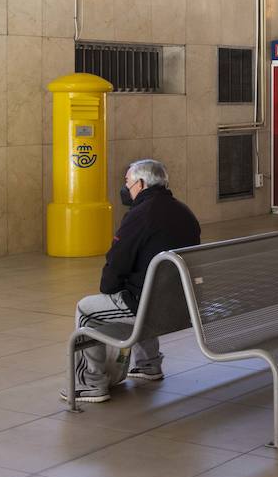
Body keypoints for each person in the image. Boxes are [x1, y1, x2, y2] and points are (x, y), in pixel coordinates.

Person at [65, 159, 201, 403]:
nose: (125, 188)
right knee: (150, 291)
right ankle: (149, 364)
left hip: (149, 306)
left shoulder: (140, 215)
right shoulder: (184, 212)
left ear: (140, 183)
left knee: (87, 309)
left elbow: (116, 261)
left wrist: (109, 290)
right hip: (182, 306)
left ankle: (89, 383)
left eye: (127, 182)